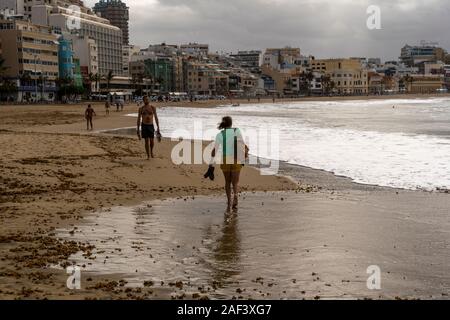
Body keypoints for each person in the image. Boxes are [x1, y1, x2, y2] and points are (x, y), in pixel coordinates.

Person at [211, 116, 249, 213]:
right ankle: (235, 197)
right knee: (235, 182)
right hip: (236, 159)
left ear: (223, 124)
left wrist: (211, 164)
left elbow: (214, 151)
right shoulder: (237, 131)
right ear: (231, 123)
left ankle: (229, 201)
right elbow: (243, 144)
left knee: (227, 182)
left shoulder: (220, 135)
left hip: (225, 159)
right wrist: (245, 154)